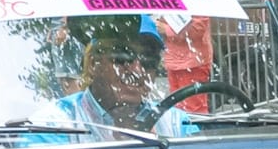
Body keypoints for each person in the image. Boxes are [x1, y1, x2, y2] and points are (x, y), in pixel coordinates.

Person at [33, 29, 194, 137]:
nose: (137, 70)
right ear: (94, 64)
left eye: (148, 60)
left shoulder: (175, 123)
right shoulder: (54, 126)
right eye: (123, 57)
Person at [151, 0, 213, 111]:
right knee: (177, 109)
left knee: (194, 109)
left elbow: (198, 28)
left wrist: (166, 30)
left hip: (193, 61)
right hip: (173, 60)